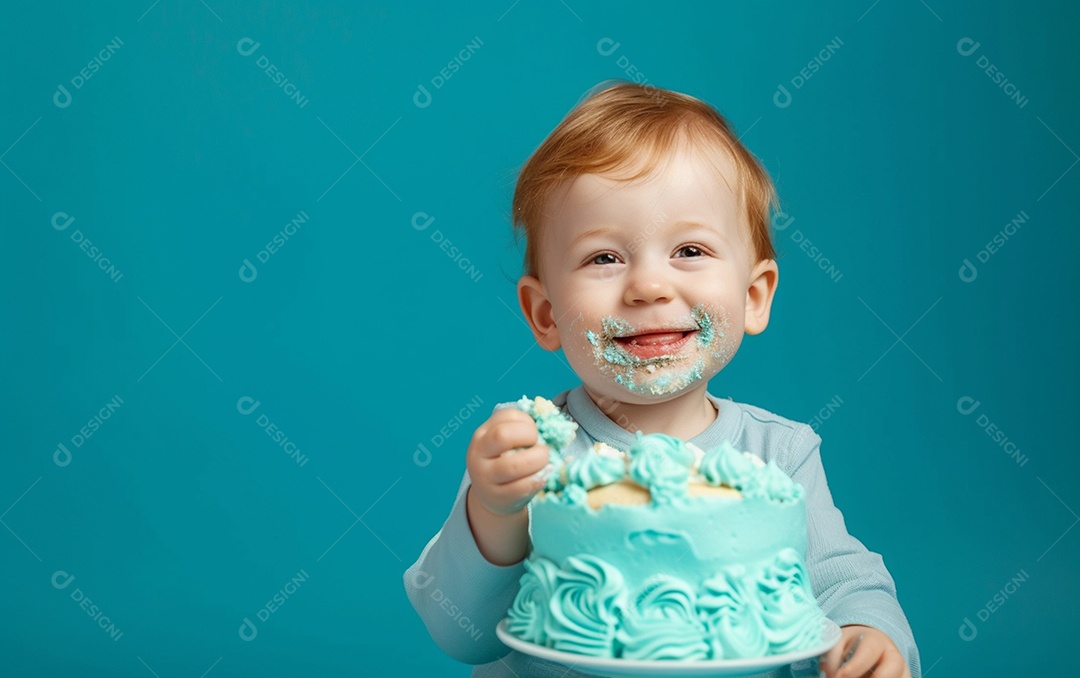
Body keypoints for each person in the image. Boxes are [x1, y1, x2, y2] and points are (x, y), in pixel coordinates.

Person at [404, 80, 919, 678]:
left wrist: (869, 632)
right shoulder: (529, 451)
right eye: (604, 258)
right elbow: (459, 631)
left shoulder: (781, 453)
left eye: (690, 250)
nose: (649, 285)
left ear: (754, 297)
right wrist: (494, 511)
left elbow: (843, 580)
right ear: (545, 314)